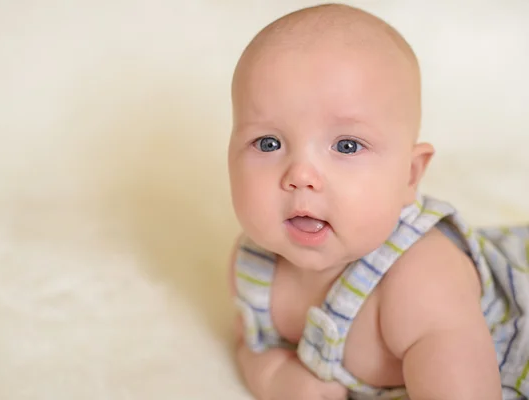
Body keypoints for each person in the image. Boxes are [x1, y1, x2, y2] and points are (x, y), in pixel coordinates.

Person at [226, 3, 529, 400]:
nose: (300, 175)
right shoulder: (254, 268)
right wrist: (275, 379)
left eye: (347, 145)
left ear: (409, 175)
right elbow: (249, 345)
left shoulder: (419, 281)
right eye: (269, 143)